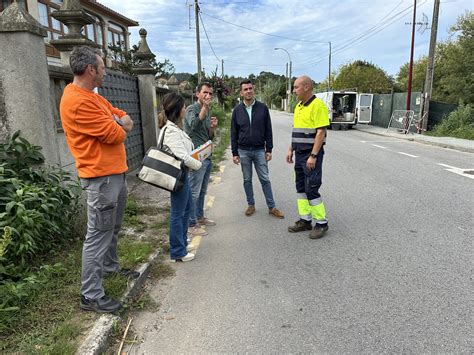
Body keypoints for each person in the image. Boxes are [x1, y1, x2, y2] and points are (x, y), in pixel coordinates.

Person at [60, 46, 138, 314]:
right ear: (91, 69)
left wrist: (119, 122)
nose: (106, 71)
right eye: (103, 67)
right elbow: (116, 132)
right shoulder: (77, 101)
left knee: (112, 228)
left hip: (114, 174)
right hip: (101, 179)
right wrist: (119, 124)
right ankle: (90, 294)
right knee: (98, 235)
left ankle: (110, 267)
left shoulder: (93, 97)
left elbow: (119, 115)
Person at [231, 80, 284, 219]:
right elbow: (233, 133)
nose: (248, 91)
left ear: (253, 90)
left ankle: (272, 207)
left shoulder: (262, 108)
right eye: (245, 89)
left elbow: (268, 129)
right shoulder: (237, 111)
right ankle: (251, 205)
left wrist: (269, 149)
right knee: (247, 179)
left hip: (260, 150)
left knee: (265, 179)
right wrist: (234, 153)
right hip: (243, 151)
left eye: (250, 88)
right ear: (241, 93)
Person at [158, 92, 202, 262]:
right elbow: (182, 156)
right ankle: (178, 251)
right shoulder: (170, 131)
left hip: (182, 174)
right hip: (178, 175)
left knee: (185, 210)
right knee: (178, 213)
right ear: (177, 110)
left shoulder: (175, 128)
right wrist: (198, 164)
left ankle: (182, 242)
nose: (185, 109)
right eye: (183, 107)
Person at [286, 75, 330, 239]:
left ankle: (321, 223)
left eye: (296, 87)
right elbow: (296, 129)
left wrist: (313, 155)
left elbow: (321, 132)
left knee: (311, 188)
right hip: (299, 154)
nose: (294, 90)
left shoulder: (318, 105)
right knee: (301, 188)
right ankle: (305, 220)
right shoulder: (298, 106)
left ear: (306, 87)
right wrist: (291, 149)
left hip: (311, 155)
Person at [184, 82, 218, 235]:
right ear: (197, 94)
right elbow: (192, 126)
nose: (208, 96)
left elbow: (208, 135)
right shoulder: (191, 109)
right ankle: (191, 224)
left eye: (210, 93)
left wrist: (212, 127)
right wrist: (204, 109)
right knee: (194, 191)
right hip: (196, 157)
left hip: (206, 155)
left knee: (202, 191)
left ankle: (200, 217)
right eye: (205, 92)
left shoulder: (207, 110)